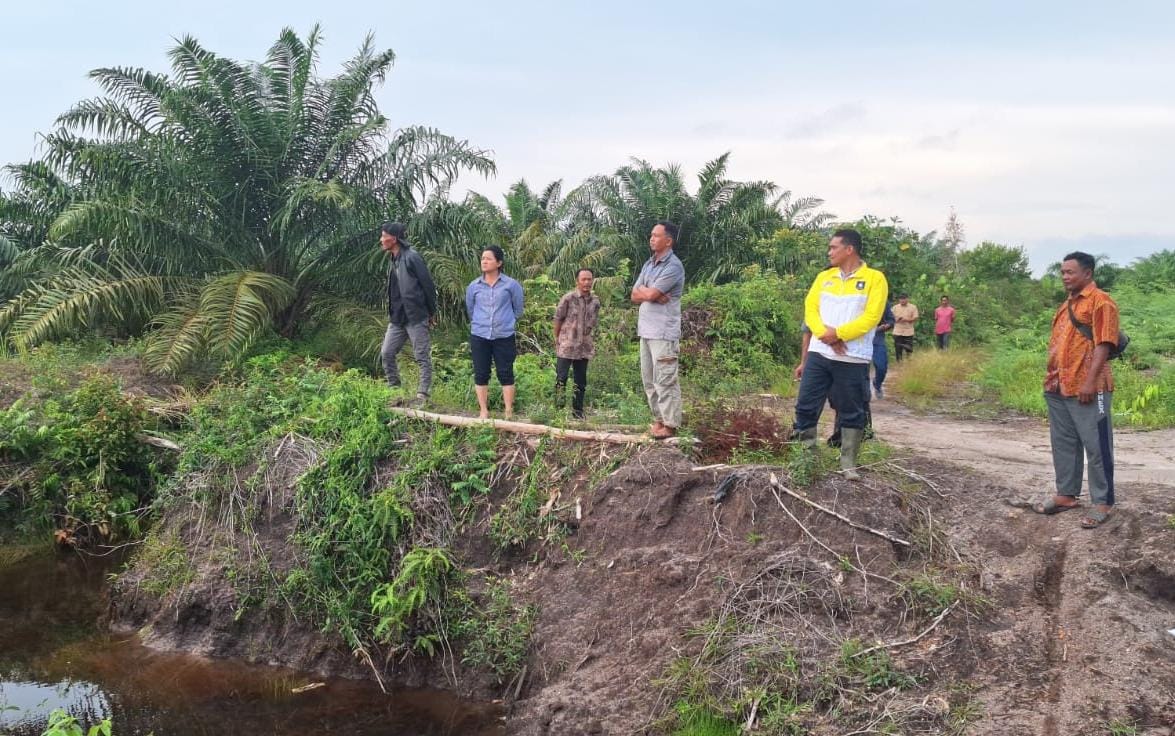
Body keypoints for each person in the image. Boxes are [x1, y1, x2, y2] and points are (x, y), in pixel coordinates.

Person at [1034, 251, 1120, 529]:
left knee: (1097, 446)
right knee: (1064, 444)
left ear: (1088, 273)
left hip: (1087, 387)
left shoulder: (1101, 302)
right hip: (1058, 385)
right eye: (1062, 272)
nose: (1065, 277)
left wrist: (1089, 381)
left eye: (1070, 272)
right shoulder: (1066, 304)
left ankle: (1103, 502)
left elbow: (1104, 344)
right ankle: (1067, 495)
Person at [793, 229, 888, 480]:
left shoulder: (874, 279)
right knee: (805, 405)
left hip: (853, 356)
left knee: (852, 409)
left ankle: (848, 463)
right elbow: (810, 309)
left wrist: (841, 334)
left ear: (850, 249)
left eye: (833, 247)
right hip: (819, 353)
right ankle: (807, 457)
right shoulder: (824, 277)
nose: (829, 252)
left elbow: (871, 318)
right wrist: (827, 335)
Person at [630, 221, 685, 439]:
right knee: (649, 380)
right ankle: (659, 420)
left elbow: (649, 295)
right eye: (651, 235)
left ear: (668, 241)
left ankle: (670, 425)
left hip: (663, 332)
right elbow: (634, 294)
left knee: (665, 380)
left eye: (656, 235)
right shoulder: (649, 264)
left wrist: (650, 294)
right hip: (646, 331)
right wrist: (650, 293)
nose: (651, 239)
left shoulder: (673, 266)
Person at [378, 222, 438, 407]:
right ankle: (395, 389)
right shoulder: (393, 259)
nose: (381, 240)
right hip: (397, 318)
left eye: (383, 236)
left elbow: (427, 285)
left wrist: (431, 311)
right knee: (386, 352)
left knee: (421, 355)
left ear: (394, 239)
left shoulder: (412, 257)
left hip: (416, 316)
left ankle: (423, 394)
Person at [466, 245, 525, 419]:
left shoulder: (511, 285)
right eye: (483, 258)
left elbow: (518, 309)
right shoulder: (474, 286)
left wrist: (506, 323)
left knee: (505, 372)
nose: (484, 261)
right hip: (479, 335)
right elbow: (471, 309)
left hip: (504, 335)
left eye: (488, 258)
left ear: (499, 262)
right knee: (481, 372)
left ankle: (508, 411)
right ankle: (483, 411)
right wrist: (481, 323)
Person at [553, 268, 601, 420]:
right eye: (583, 279)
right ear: (577, 281)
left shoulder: (595, 301)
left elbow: (592, 323)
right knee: (561, 378)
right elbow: (558, 318)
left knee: (580, 380)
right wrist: (557, 338)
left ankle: (578, 412)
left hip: (584, 346)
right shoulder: (568, 298)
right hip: (567, 344)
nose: (587, 282)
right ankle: (558, 411)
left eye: (589, 279)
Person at [872, 302, 896, 398]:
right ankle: (863, 395)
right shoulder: (857, 297)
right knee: (860, 368)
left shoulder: (882, 302)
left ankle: (877, 384)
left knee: (882, 366)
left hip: (878, 336)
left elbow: (891, 320)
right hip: (859, 336)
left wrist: (887, 325)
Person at [891, 293, 918, 361]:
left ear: (907, 299)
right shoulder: (895, 307)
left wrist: (906, 319)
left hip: (908, 331)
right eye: (901, 299)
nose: (902, 300)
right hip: (897, 331)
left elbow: (915, 318)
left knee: (909, 349)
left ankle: (909, 364)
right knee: (898, 349)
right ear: (899, 300)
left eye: (904, 299)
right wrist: (897, 319)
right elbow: (890, 318)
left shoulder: (913, 307)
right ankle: (899, 364)